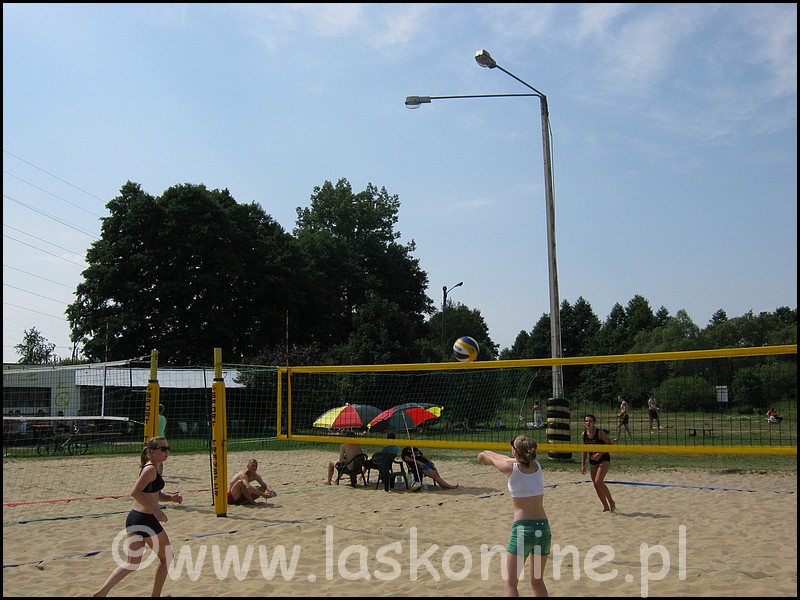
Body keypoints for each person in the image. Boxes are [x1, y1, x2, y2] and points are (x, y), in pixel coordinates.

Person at [94, 437, 183, 597]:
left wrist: (170, 498)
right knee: (167, 557)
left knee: (132, 563)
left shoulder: (158, 466)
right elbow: (135, 492)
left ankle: (101, 593)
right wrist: (155, 510)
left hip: (135, 518)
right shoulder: (150, 469)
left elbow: (153, 494)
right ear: (152, 452)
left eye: (168, 448)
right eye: (163, 449)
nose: (167, 452)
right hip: (145, 520)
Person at [477, 435, 550, 597]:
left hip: (524, 530)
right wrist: (487, 451)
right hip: (544, 530)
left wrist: (484, 455)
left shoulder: (510, 468)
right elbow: (505, 458)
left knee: (509, 583)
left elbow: (496, 461)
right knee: (537, 581)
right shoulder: (537, 465)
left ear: (516, 453)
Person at [581, 414, 616, 512]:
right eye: (586, 421)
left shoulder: (600, 433)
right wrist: (582, 465)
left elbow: (610, 445)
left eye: (590, 421)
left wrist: (599, 453)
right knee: (596, 485)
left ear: (594, 423)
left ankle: (611, 501)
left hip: (603, 459)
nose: (588, 423)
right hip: (593, 461)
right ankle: (605, 507)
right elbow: (584, 450)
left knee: (598, 481)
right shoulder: (584, 435)